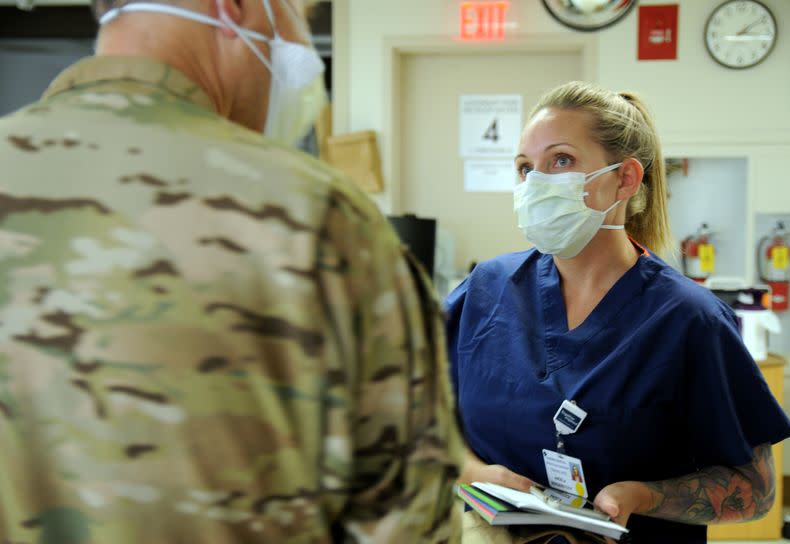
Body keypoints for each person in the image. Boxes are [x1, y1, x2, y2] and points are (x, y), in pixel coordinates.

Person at [0, 1, 464, 542]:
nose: (301, 49)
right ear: (237, 8)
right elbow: (405, 524)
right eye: (299, 21)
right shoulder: (320, 220)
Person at [445, 81, 790, 544]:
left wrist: (643, 496)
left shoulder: (689, 321)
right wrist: (471, 470)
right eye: (526, 168)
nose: (536, 184)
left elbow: (756, 490)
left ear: (625, 178)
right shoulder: (485, 291)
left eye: (561, 161)